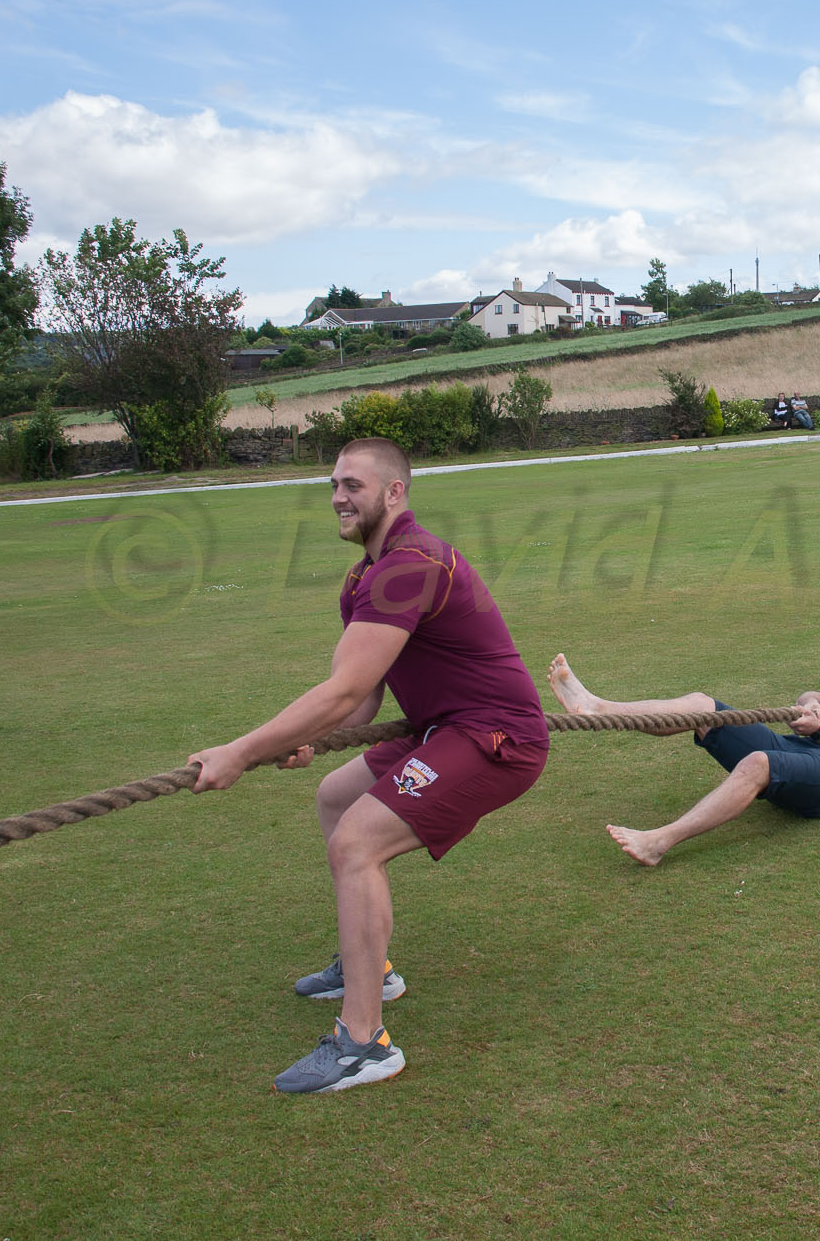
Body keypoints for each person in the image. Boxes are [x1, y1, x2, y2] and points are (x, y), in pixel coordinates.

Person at [188, 437, 550, 1094]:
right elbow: (360, 702)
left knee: (357, 842)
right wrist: (305, 738)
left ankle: (363, 1043)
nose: (337, 497)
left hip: (495, 737)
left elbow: (344, 691)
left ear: (394, 492)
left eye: (352, 484)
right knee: (335, 796)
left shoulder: (411, 565)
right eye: (333, 484)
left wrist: (241, 751)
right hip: (440, 730)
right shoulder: (364, 577)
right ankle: (371, 970)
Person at [546, 647, 820, 868]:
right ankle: (598, 708)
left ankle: (659, 842)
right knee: (703, 707)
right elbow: (817, 696)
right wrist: (812, 706)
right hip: (804, 749)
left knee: (758, 762)